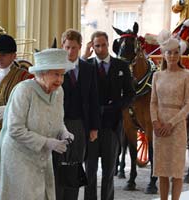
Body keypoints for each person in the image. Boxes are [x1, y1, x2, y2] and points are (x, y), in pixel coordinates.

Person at [0, 48, 75, 200]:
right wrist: (47, 142)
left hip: (42, 157)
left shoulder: (58, 91)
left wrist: (64, 132)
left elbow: (57, 119)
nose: (60, 80)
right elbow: (15, 130)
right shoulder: (24, 91)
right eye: (56, 74)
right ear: (42, 73)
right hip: (19, 157)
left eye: (62, 74)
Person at [82, 31, 135, 200]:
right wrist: (84, 57)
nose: (101, 49)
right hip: (90, 127)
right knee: (90, 172)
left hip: (112, 126)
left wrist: (114, 107)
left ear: (108, 44)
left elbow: (130, 95)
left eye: (103, 45)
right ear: (92, 46)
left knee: (108, 172)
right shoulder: (86, 66)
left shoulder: (121, 66)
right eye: (97, 45)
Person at [52, 29, 99, 200]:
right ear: (63, 47)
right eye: (67, 47)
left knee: (75, 165)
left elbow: (94, 99)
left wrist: (94, 128)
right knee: (58, 165)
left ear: (80, 47)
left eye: (74, 48)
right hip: (59, 124)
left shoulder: (88, 68)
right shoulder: (55, 69)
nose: (70, 52)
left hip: (80, 125)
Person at [151, 30, 189, 200]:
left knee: (176, 172)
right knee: (162, 171)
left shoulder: (187, 76)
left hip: (177, 127)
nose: (172, 56)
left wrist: (171, 123)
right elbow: (153, 102)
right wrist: (155, 122)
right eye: (169, 52)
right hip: (159, 128)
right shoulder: (157, 76)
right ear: (163, 54)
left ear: (180, 54)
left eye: (176, 52)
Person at [0, 34, 33, 174]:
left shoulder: (26, 78)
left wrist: (11, 110)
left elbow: (34, 107)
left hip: (15, 137)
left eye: (4, 54)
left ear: (13, 56)